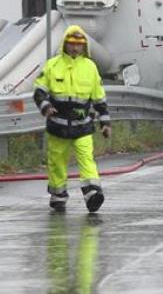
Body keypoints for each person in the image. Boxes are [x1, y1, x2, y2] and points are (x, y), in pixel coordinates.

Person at [34, 25, 111, 213]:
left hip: (82, 125)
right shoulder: (52, 65)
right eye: (72, 43)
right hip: (57, 126)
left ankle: (93, 193)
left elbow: (99, 99)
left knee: (86, 159)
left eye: (79, 44)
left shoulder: (90, 67)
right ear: (65, 44)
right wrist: (46, 107)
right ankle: (58, 195)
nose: (75, 48)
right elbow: (39, 92)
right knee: (57, 161)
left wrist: (105, 123)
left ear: (84, 46)